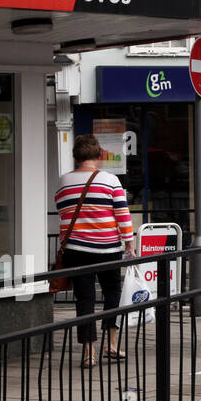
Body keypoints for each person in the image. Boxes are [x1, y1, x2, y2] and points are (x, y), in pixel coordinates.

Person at [54, 134, 136, 368]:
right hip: (107, 248)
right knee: (112, 293)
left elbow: (61, 210)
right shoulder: (110, 180)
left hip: (75, 249)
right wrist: (128, 243)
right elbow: (122, 213)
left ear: (75, 157)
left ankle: (89, 352)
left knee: (85, 298)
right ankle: (111, 343)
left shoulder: (63, 181)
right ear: (98, 156)